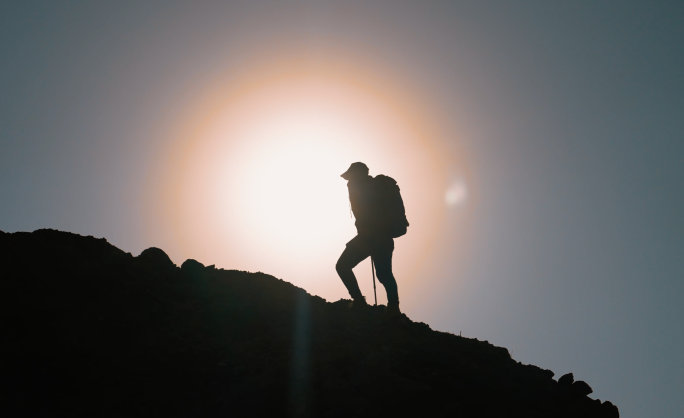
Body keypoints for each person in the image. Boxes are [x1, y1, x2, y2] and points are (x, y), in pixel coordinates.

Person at [335, 162, 403, 316]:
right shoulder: (376, 186)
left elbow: (366, 213)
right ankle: (393, 307)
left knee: (343, 266)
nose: (348, 181)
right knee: (384, 274)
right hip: (382, 238)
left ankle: (359, 301)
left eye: (351, 176)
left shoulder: (363, 188)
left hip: (369, 237)